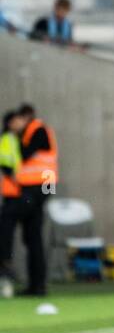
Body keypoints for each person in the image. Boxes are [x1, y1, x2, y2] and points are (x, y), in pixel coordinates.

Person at [0, 105, 57, 297]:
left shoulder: (37, 130)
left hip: (40, 187)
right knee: (33, 237)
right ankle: (37, 285)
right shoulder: (27, 134)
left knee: (7, 217)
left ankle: (5, 260)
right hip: (39, 187)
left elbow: (26, 155)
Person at [0, 110, 25, 298]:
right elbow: (5, 163)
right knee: (5, 241)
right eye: (18, 120)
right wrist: (14, 177)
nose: (21, 123)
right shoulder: (7, 139)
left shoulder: (25, 139)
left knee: (29, 238)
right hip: (13, 194)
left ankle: (34, 285)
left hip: (26, 195)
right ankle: (6, 280)